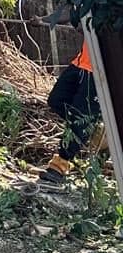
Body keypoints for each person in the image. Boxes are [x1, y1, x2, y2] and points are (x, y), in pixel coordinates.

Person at [38, 33, 102, 186]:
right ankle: (93, 128)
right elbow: (75, 14)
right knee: (56, 100)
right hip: (80, 63)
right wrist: (45, 20)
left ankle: (59, 166)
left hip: (99, 72)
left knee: (79, 120)